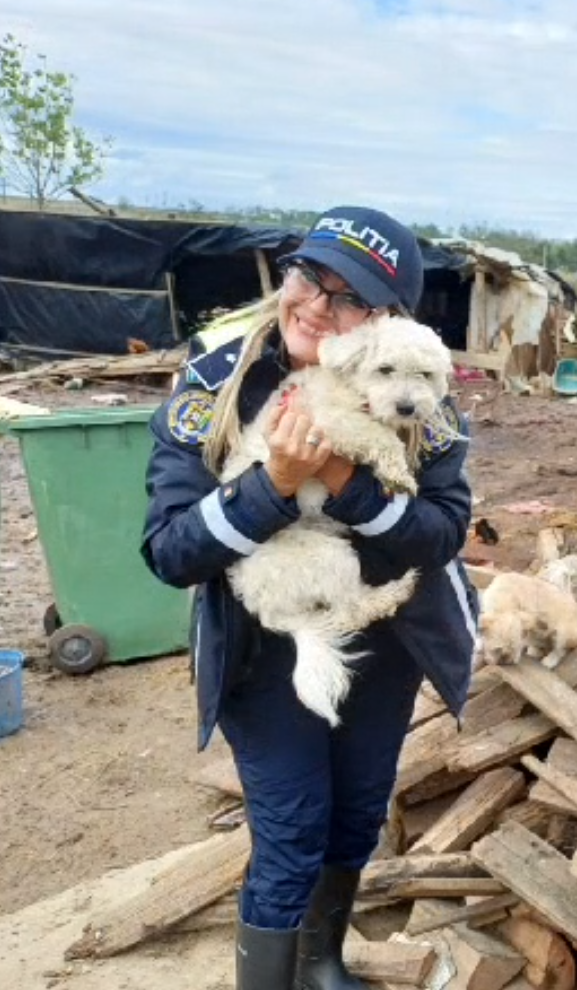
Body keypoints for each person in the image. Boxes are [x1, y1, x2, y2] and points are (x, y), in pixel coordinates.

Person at [139, 206, 481, 990]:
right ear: (284, 277)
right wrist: (275, 485)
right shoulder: (216, 377)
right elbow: (171, 551)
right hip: (266, 639)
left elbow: (439, 533)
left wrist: (345, 485)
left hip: (384, 632)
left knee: (358, 810)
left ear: (383, 318)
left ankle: (322, 963)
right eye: (308, 278)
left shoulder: (414, 390)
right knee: (292, 824)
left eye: (350, 296)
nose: (318, 306)